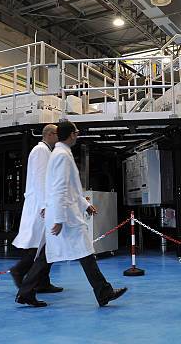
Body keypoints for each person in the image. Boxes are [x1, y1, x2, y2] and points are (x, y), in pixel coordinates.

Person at [16, 120, 127, 307]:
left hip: (63, 214)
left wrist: (84, 204)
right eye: (76, 132)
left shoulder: (60, 153)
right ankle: (103, 292)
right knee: (81, 253)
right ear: (72, 135)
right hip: (65, 217)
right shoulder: (61, 155)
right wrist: (58, 219)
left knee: (52, 255)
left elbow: (69, 188)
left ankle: (26, 293)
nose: (77, 135)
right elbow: (59, 189)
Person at [10, 124, 62, 296]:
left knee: (46, 244)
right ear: (48, 135)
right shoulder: (40, 151)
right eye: (57, 134)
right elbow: (40, 180)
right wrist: (44, 205)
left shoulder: (46, 151)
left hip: (44, 204)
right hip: (40, 206)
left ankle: (42, 282)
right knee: (38, 244)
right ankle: (19, 271)